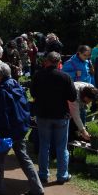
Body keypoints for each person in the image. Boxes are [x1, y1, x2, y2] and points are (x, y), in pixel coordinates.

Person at [0, 63, 44, 195]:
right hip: (20, 128)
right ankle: (37, 187)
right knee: (24, 157)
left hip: (6, 130)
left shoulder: (2, 91)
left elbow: (1, 116)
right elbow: (25, 107)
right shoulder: (17, 85)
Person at [31, 52, 77, 184]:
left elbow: (33, 93)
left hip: (43, 114)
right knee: (61, 147)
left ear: (46, 61)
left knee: (44, 145)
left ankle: (43, 174)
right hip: (60, 115)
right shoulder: (65, 77)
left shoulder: (38, 75)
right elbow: (72, 97)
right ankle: (62, 175)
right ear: (59, 62)